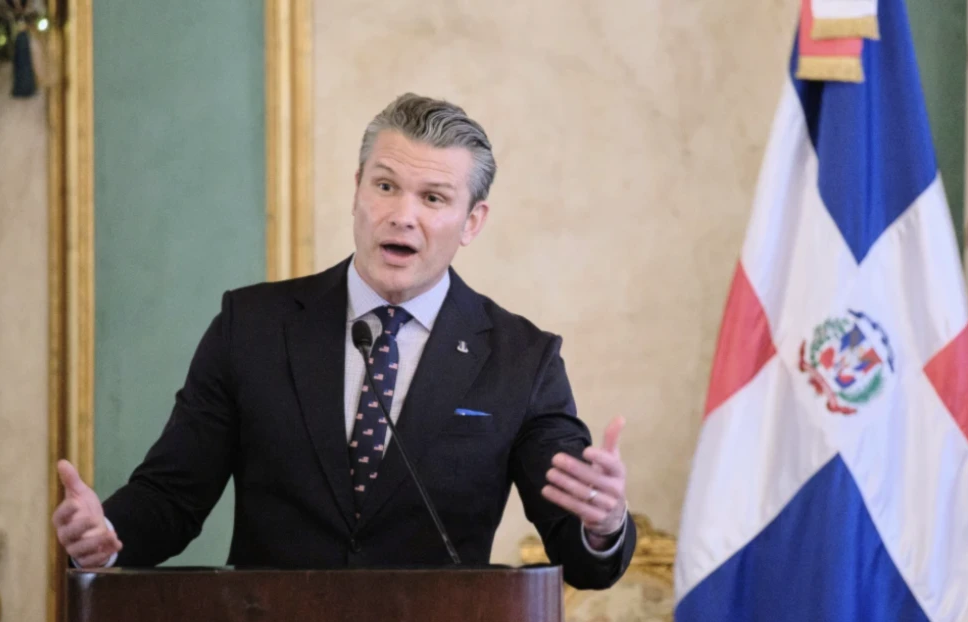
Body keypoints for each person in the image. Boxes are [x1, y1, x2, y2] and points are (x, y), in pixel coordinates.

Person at [51, 93, 635, 589]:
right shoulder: (252, 325)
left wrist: (603, 525)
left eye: (433, 198)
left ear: (472, 221)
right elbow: (172, 497)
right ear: (357, 189)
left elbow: (580, 552)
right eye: (386, 186)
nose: (402, 215)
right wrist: (105, 537)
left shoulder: (521, 359)